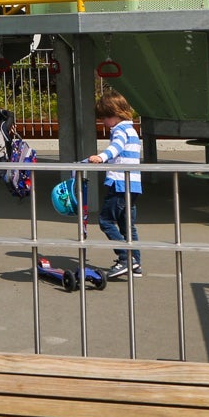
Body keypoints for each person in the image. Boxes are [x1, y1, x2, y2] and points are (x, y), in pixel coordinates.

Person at [84, 90, 143, 279]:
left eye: (104, 117)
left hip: (119, 183)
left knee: (106, 221)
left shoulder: (120, 130)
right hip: (133, 184)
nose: (103, 122)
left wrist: (101, 157)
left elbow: (115, 148)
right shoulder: (132, 129)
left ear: (115, 114)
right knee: (128, 225)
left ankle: (126, 258)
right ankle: (136, 263)